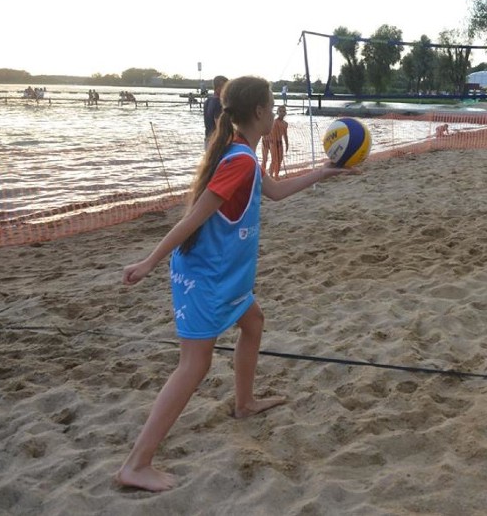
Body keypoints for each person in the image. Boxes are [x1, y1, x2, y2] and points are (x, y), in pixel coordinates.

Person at [115, 76, 357, 492]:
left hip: (226, 277)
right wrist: (149, 261)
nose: (274, 111)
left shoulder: (242, 152)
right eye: (271, 105)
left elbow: (275, 192)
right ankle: (136, 463)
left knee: (254, 322)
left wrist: (323, 172)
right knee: (194, 364)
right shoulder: (240, 160)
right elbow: (193, 218)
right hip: (204, 278)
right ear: (261, 112)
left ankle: (244, 404)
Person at [204, 75, 228, 144]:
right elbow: (219, 125)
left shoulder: (208, 100)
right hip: (216, 142)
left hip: (208, 139)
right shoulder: (218, 103)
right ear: (219, 87)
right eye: (226, 87)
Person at [268, 105, 289, 178]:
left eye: (283, 111)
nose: (282, 113)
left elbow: (285, 135)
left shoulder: (285, 124)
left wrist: (287, 144)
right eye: (280, 111)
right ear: (277, 112)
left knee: (280, 159)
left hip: (280, 143)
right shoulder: (274, 122)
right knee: (274, 160)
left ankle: (276, 175)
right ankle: (270, 175)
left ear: (285, 113)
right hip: (273, 143)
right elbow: (269, 133)